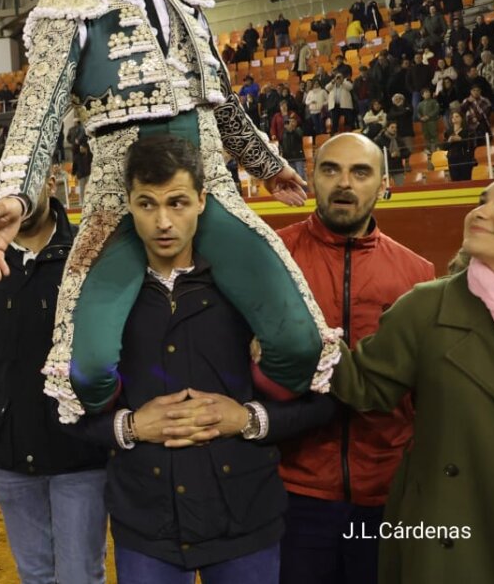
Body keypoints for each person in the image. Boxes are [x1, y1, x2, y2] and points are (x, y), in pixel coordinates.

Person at [0, 0, 333, 422]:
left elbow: (220, 102)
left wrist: (266, 165)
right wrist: (17, 198)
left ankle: (234, 423)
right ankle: (138, 430)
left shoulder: (186, 6)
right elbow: (37, 116)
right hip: (120, 205)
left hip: (210, 190)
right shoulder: (69, 11)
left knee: (301, 345)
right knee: (86, 371)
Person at [76, 135, 334, 582]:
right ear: (128, 206)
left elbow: (328, 398)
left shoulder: (252, 291)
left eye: (177, 203)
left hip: (243, 516)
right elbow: (63, 410)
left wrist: (249, 419)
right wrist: (130, 426)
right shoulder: (98, 299)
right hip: (147, 523)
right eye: (146, 204)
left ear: (202, 200)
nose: (162, 222)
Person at [330, 175, 494, 583]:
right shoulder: (427, 305)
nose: (480, 212)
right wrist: (292, 336)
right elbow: (362, 386)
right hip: (456, 540)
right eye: (482, 200)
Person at [276, 134, 436, 584]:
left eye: (360, 172)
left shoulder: (418, 275)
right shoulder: (274, 258)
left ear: (384, 184)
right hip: (295, 490)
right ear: (312, 178)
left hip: (387, 493)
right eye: (330, 170)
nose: (344, 183)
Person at [0, 172, 108, 584]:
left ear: (51, 179)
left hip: (80, 448)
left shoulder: (89, 250)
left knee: (80, 576)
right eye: (5, 181)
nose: (14, 191)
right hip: (8, 446)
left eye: (26, 178)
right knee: (34, 574)